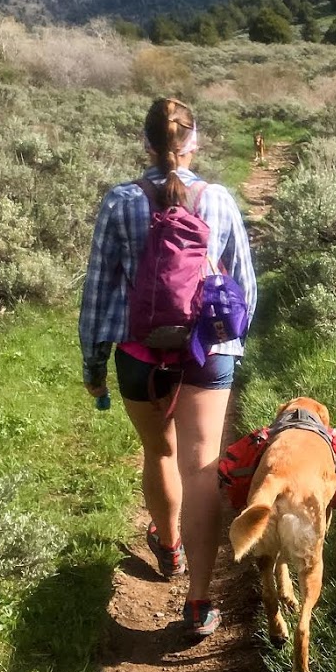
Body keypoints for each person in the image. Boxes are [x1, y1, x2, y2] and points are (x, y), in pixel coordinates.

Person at [79, 97, 257, 639]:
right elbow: (245, 287)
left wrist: (94, 362)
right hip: (207, 352)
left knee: (158, 450)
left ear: (147, 142)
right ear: (193, 142)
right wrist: (225, 341)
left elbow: (98, 292)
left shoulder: (119, 201)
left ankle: (169, 544)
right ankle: (200, 600)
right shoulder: (221, 200)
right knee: (202, 466)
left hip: (138, 354)